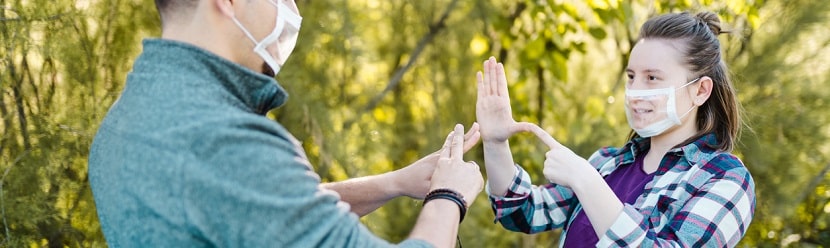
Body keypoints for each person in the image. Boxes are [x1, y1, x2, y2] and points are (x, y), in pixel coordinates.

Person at [88, 0, 483, 247]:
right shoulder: (226, 140)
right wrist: (449, 197)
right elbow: (250, 178)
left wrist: (396, 183)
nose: (291, 10)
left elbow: (256, 208)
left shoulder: (131, 113)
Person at [475, 11, 756, 247]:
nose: (634, 92)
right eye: (631, 77)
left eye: (652, 78)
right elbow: (523, 212)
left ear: (700, 91)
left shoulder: (725, 178)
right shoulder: (607, 163)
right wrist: (496, 144)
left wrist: (587, 183)